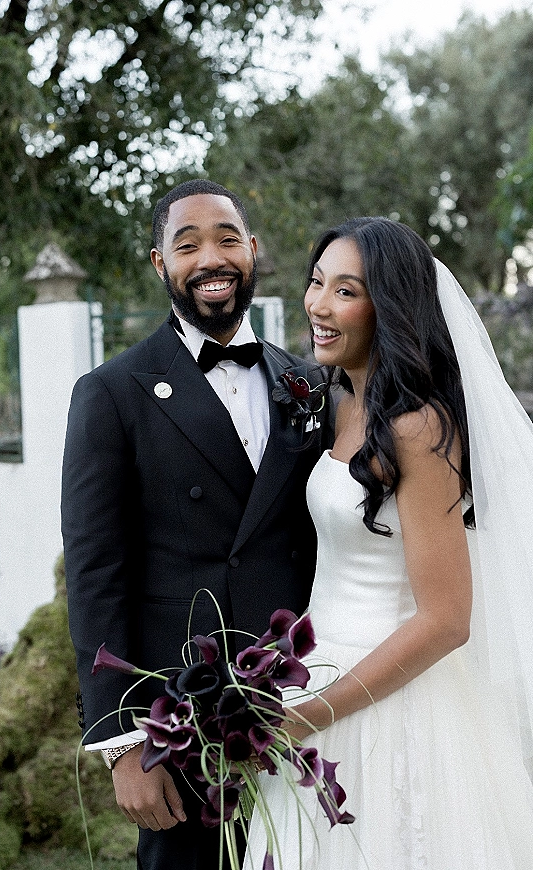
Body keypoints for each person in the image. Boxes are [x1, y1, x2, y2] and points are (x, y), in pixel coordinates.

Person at [243, 217, 533, 870]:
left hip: (390, 700)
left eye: (346, 291)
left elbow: (446, 620)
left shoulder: (419, 427)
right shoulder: (339, 403)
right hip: (308, 678)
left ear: (390, 307)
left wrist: (312, 713)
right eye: (317, 283)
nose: (318, 304)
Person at [61, 179, 331, 870]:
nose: (211, 258)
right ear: (160, 264)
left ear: (254, 252)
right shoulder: (111, 393)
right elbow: (96, 575)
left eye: (227, 239)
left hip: (310, 701)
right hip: (182, 720)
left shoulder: (307, 383)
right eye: (188, 245)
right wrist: (123, 742)